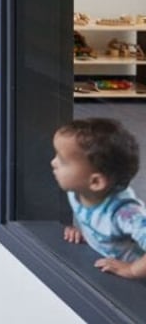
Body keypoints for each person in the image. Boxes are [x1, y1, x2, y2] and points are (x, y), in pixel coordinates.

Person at [53, 117, 146, 278]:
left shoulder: (124, 213)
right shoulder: (78, 191)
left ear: (95, 182)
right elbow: (97, 222)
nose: (53, 162)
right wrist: (86, 234)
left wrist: (132, 270)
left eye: (63, 161)